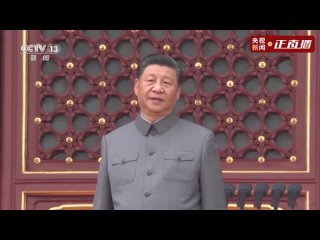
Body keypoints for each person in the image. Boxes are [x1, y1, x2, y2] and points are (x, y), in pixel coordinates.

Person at [93, 54, 226, 210]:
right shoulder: (112, 142)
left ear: (177, 93)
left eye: (166, 83)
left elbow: (215, 204)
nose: (157, 88)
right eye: (150, 81)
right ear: (136, 87)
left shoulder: (202, 140)